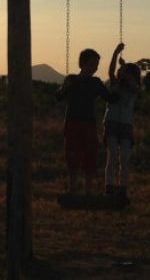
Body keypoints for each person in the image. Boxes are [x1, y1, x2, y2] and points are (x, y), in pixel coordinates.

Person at [56, 48, 117, 195]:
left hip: (89, 124)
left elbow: (111, 99)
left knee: (90, 155)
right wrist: (65, 88)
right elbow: (58, 97)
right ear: (82, 64)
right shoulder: (71, 79)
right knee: (72, 155)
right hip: (73, 123)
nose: (95, 68)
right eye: (92, 64)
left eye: (96, 65)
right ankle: (73, 190)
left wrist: (119, 82)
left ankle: (88, 192)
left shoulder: (96, 82)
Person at [103, 43, 141, 198]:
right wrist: (115, 53)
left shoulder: (135, 88)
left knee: (124, 157)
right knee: (112, 155)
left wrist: (124, 68)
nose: (122, 74)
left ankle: (123, 187)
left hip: (126, 125)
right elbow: (111, 71)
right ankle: (110, 186)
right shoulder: (115, 84)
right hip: (111, 122)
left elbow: (133, 85)